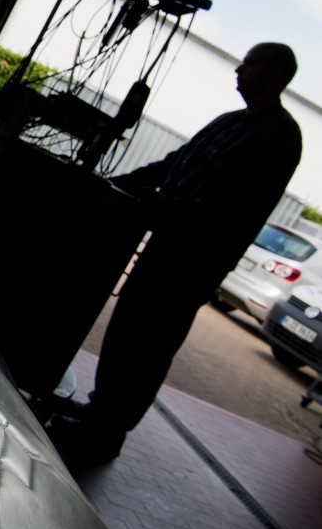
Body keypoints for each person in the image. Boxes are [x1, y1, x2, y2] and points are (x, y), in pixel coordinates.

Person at [46, 42, 303, 464]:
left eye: (251, 63)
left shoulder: (280, 135)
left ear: (276, 75)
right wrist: (114, 184)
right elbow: (175, 163)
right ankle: (98, 410)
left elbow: (234, 207)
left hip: (193, 264)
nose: (239, 68)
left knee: (149, 346)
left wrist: (159, 206)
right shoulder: (229, 121)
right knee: (127, 331)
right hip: (164, 247)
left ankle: (107, 434)